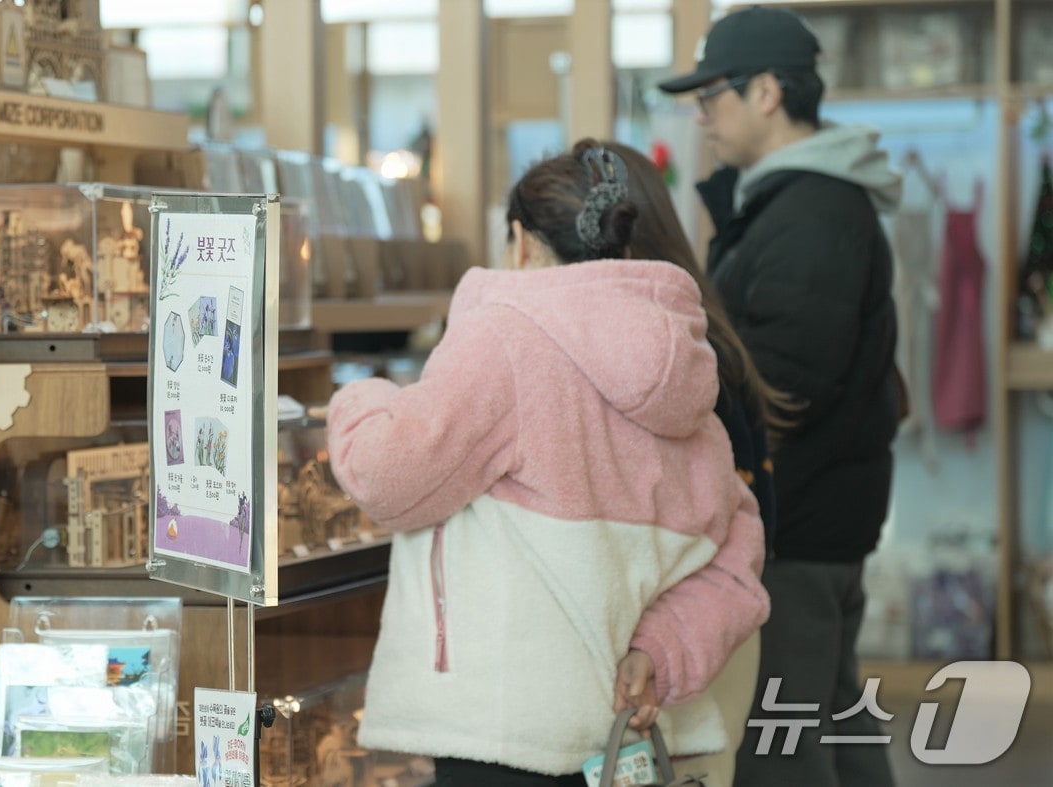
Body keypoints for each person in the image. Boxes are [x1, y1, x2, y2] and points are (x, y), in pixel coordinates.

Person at [326, 139, 769, 785]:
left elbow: (384, 476)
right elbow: (738, 550)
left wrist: (362, 397)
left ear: (520, 240)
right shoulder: (684, 362)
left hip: (504, 727)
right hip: (630, 736)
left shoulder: (506, 339)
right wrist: (663, 645)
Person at [657, 7, 903, 787]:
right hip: (812, 517)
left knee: (781, 749)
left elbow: (784, 384)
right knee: (831, 721)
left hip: (794, 523)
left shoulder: (814, 210)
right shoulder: (789, 201)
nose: (703, 118)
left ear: (767, 91)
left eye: (712, 97)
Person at [602, 140, 784, 787]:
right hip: (693, 631)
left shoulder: (677, 356)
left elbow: (720, 521)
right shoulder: (699, 335)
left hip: (691, 637)